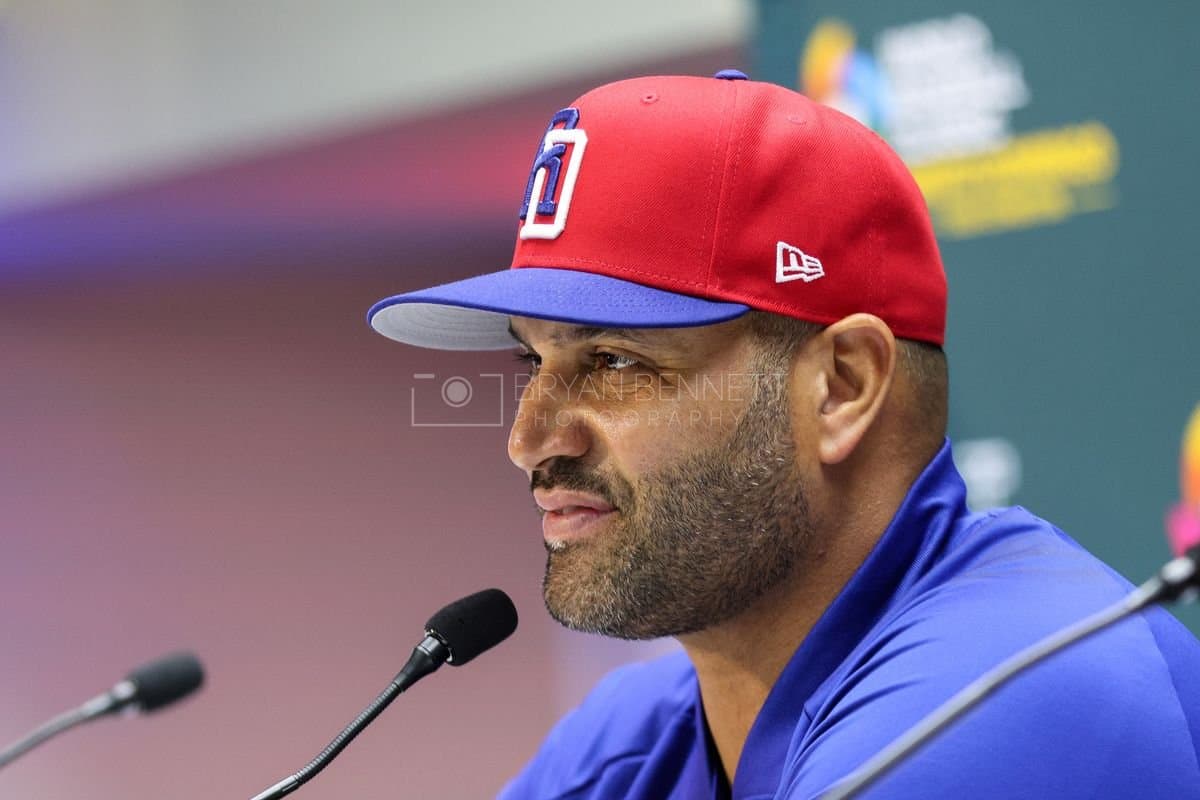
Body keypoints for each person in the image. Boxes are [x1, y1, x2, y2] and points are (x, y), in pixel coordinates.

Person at [366, 71, 1200, 798]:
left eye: (614, 360)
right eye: (529, 362)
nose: (529, 438)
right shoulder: (629, 743)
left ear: (842, 387)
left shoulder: (1009, 699)